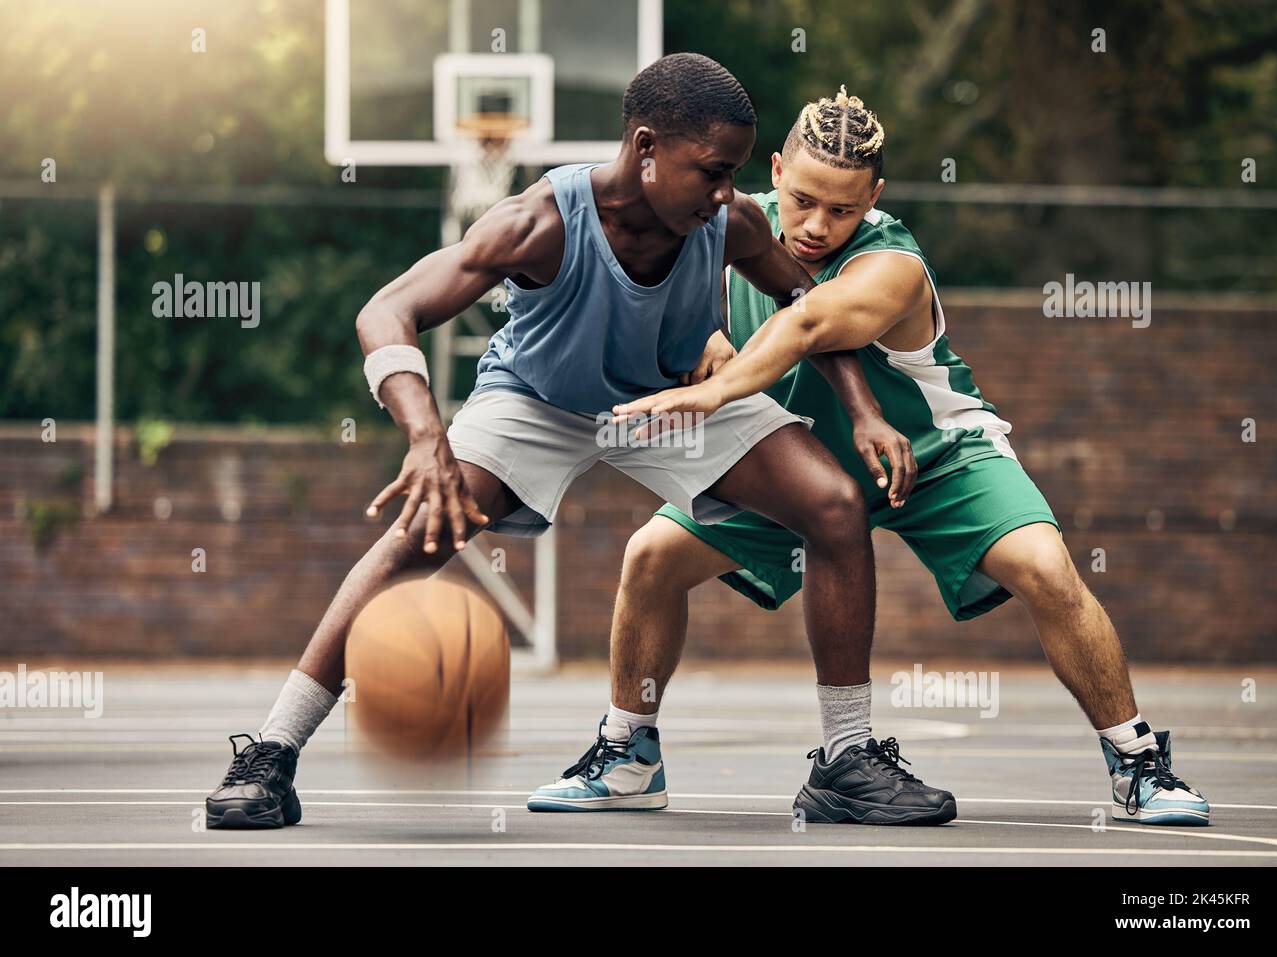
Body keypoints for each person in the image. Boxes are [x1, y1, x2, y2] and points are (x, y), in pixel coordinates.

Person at [206, 56, 952, 829]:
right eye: (712, 172)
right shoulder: (539, 222)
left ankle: (847, 759)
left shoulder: (727, 223)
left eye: (733, 173)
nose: (728, 191)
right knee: (418, 536)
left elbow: (806, 299)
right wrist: (426, 437)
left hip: (668, 398)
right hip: (537, 399)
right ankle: (270, 754)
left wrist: (863, 410)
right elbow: (385, 311)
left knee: (833, 504)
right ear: (645, 147)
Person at [530, 88, 1209, 828]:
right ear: (778, 170)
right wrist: (695, 339)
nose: (819, 226)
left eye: (844, 210)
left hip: (933, 453)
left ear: (874, 198)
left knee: (1047, 567)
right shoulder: (720, 225)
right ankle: (629, 755)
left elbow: (810, 320)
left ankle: (1138, 765)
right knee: (650, 557)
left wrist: (716, 387)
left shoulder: (894, 262)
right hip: (793, 459)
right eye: (805, 201)